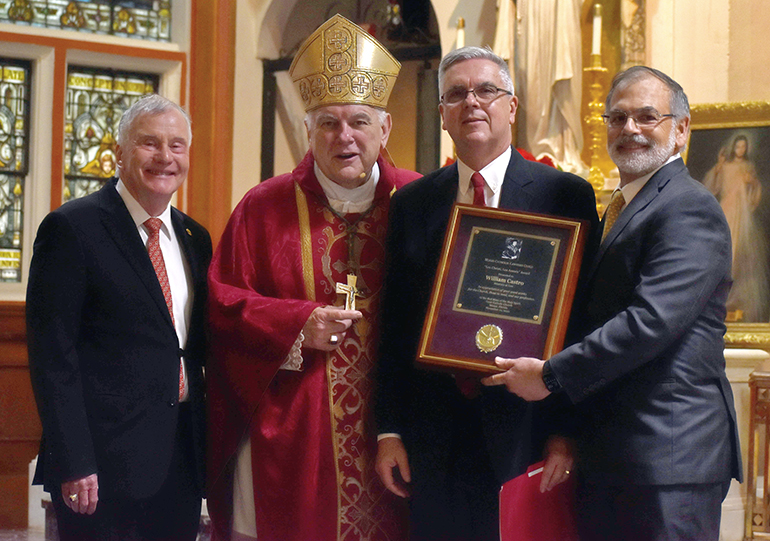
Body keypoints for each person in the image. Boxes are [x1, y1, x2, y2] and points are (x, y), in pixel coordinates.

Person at [482, 66, 742, 541]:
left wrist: (549, 375)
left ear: (681, 129)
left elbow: (651, 321)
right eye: (617, 118)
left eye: (647, 117)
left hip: (666, 461)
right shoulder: (626, 206)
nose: (630, 130)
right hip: (618, 458)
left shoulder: (688, 207)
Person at [206, 14, 420, 541]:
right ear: (307, 131)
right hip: (298, 435)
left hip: (403, 425)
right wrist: (298, 325)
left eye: (358, 121)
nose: (343, 137)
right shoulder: (263, 208)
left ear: (385, 128)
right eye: (327, 122)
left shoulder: (421, 200)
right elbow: (222, 305)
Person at [374, 46, 599, 541]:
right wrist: (388, 429)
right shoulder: (413, 203)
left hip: (528, 430)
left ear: (511, 106)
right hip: (432, 436)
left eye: (486, 91)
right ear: (442, 116)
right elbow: (395, 323)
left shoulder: (564, 196)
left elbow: (584, 323)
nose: (471, 103)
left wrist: (567, 431)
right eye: (456, 94)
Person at [27, 94, 211, 540]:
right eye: (150, 143)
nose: (165, 157)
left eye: (177, 145)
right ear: (119, 153)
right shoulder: (72, 228)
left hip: (181, 459)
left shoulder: (195, 236)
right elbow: (54, 357)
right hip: (102, 468)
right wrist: (74, 461)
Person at [703, 135, 770, 321]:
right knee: (723, 250)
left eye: (743, 147)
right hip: (726, 210)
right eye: (738, 146)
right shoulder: (725, 166)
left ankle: (733, 299)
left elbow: (755, 192)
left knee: (739, 253)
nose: (740, 149)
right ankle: (718, 297)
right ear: (734, 148)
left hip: (742, 214)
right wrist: (718, 167)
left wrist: (752, 183)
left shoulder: (749, 167)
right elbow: (712, 188)